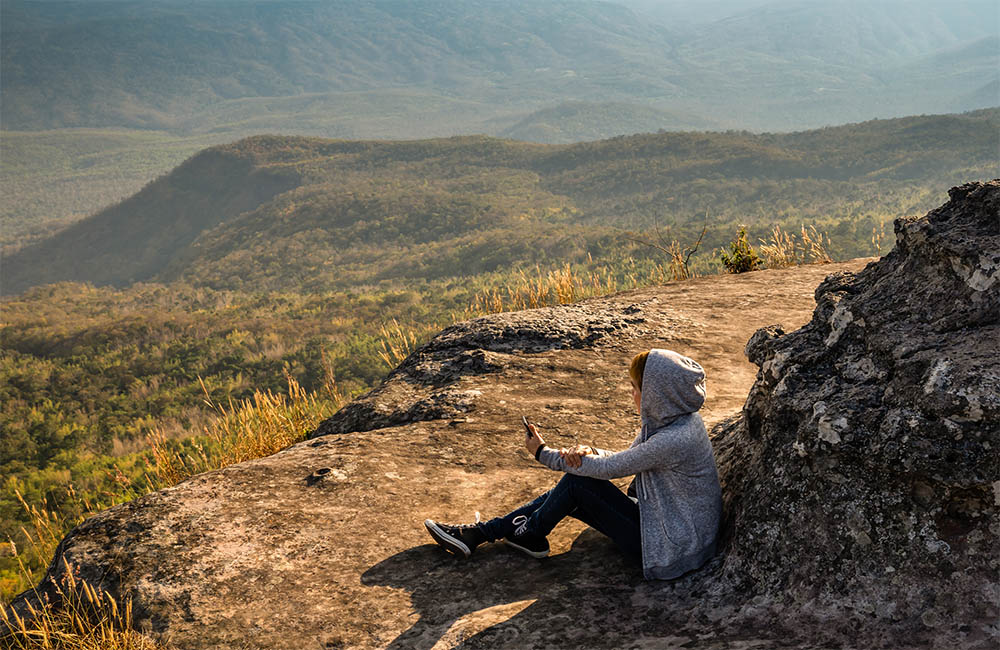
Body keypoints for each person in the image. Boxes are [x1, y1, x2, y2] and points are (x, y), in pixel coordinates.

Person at [424, 349, 723, 580]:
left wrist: (543, 452)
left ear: (658, 395)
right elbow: (624, 458)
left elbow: (611, 469)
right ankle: (497, 532)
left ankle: (513, 532)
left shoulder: (672, 439)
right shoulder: (674, 420)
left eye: (635, 387)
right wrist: (589, 451)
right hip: (672, 523)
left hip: (673, 548)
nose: (631, 394)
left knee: (578, 484)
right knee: (571, 492)